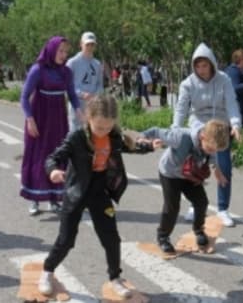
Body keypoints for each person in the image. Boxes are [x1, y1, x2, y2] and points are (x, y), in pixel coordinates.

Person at [37, 95, 159, 298]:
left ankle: (115, 278)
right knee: (66, 240)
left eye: (108, 127)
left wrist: (149, 146)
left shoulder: (113, 136)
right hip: (76, 193)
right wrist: (53, 171)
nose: (104, 131)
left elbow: (129, 147)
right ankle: (47, 272)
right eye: (99, 127)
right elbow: (54, 157)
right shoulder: (76, 137)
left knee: (112, 238)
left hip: (100, 192)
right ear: (89, 118)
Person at [173, 42, 242, 227]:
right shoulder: (187, 83)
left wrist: (235, 124)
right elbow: (181, 109)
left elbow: (232, 104)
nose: (201, 70)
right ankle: (195, 205)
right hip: (199, 126)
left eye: (204, 65)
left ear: (211, 63)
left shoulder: (224, 79)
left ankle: (222, 209)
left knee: (224, 166)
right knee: (195, 167)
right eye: (197, 66)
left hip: (220, 125)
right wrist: (175, 130)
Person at [142, 119, 229, 253]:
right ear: (202, 136)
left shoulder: (211, 142)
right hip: (170, 173)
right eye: (211, 148)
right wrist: (141, 138)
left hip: (189, 175)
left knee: (201, 202)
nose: (212, 151)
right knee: (172, 207)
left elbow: (212, 156)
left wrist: (217, 171)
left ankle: (199, 230)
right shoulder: (181, 137)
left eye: (215, 150)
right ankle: (163, 237)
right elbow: (155, 131)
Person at [20, 36, 82, 216]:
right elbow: (24, 97)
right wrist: (30, 119)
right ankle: (34, 200)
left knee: (58, 155)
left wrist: (79, 110)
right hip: (39, 118)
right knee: (38, 156)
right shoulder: (38, 70)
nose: (63, 55)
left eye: (66, 51)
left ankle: (55, 199)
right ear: (51, 50)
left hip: (59, 119)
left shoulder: (66, 72)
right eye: (60, 51)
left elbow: (71, 94)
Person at [67, 31, 104, 132]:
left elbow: (100, 85)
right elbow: (67, 85)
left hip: (92, 105)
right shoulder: (72, 63)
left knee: (91, 135)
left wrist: (95, 95)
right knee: (74, 135)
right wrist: (82, 94)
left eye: (92, 44)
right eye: (87, 44)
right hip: (77, 105)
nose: (90, 47)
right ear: (81, 44)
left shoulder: (97, 64)